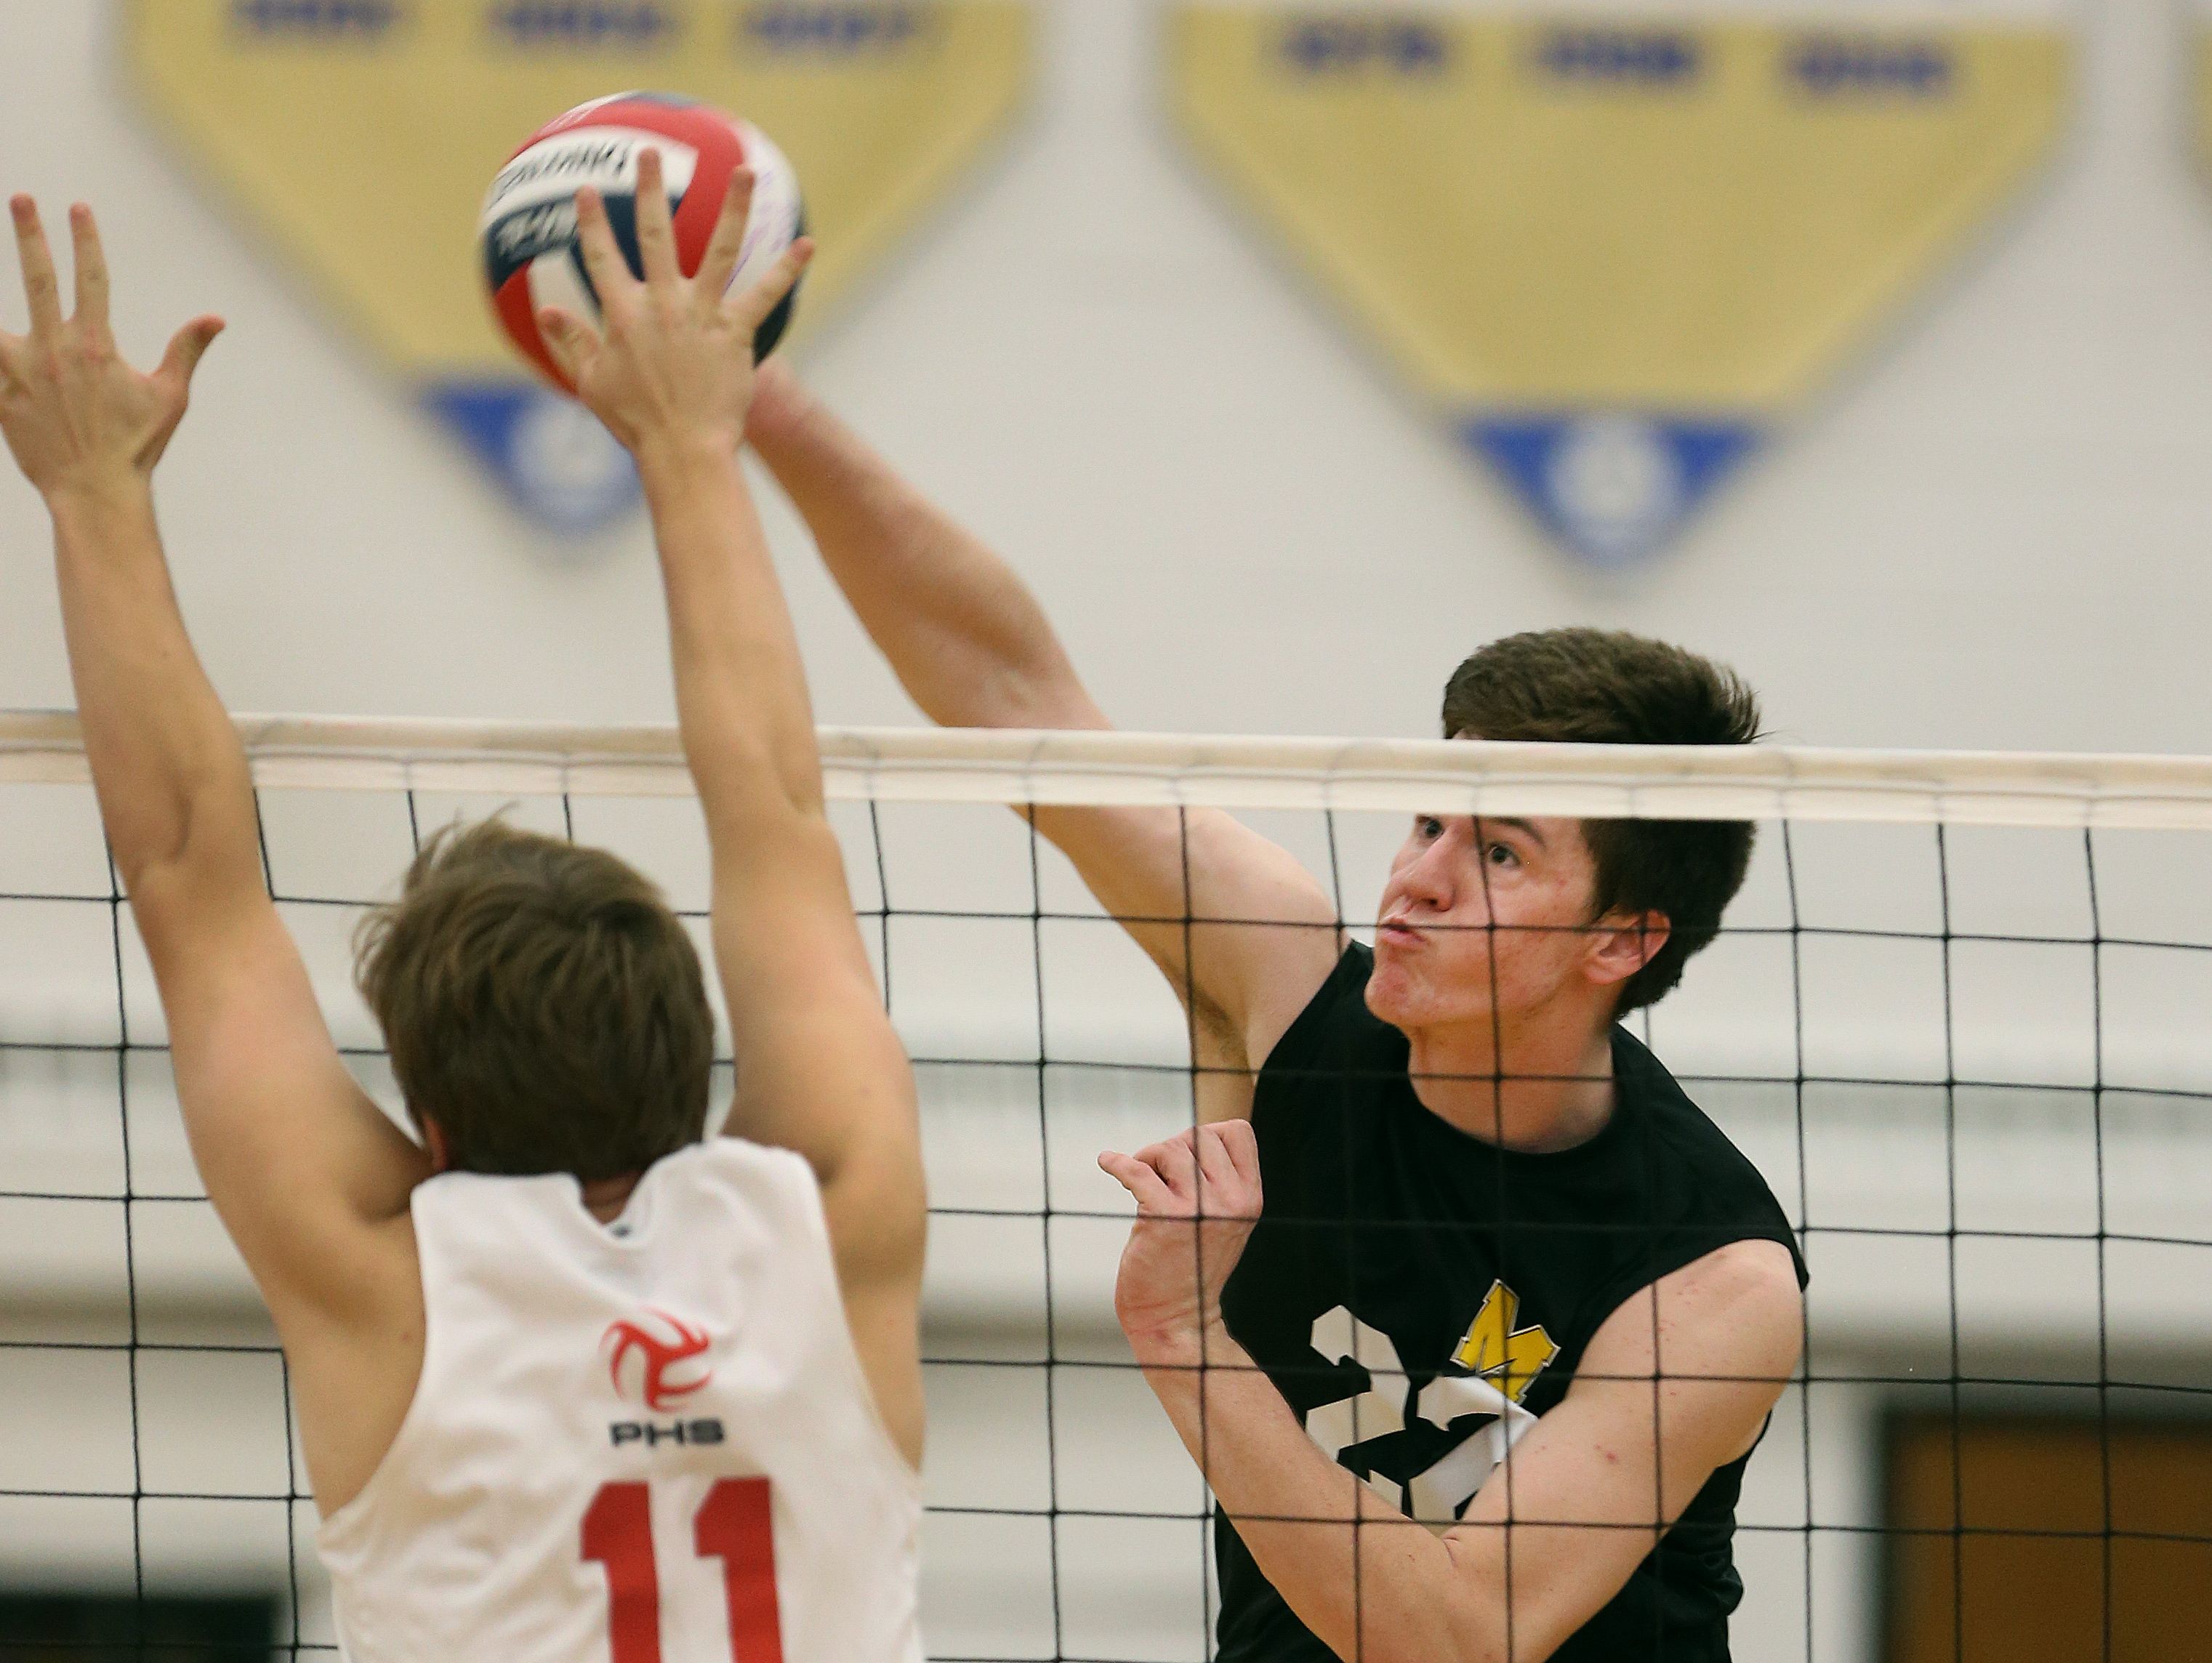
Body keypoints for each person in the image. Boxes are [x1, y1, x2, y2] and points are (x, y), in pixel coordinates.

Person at [0, 167, 925, 1662]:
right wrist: (694, 439)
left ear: (423, 1119)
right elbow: (776, 804)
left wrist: (91, 493)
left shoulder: (386, 1284)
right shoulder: (834, 1213)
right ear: (699, 1059)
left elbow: (184, 869)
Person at [744, 368, 1806, 1662]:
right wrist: (754, 408)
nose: (1417, 874)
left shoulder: (1714, 1275)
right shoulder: (1291, 995)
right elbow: (1016, 704)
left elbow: (1464, 1635)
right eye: (1431, 819)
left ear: (1624, 941)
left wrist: (1186, 1336)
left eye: (1503, 856)